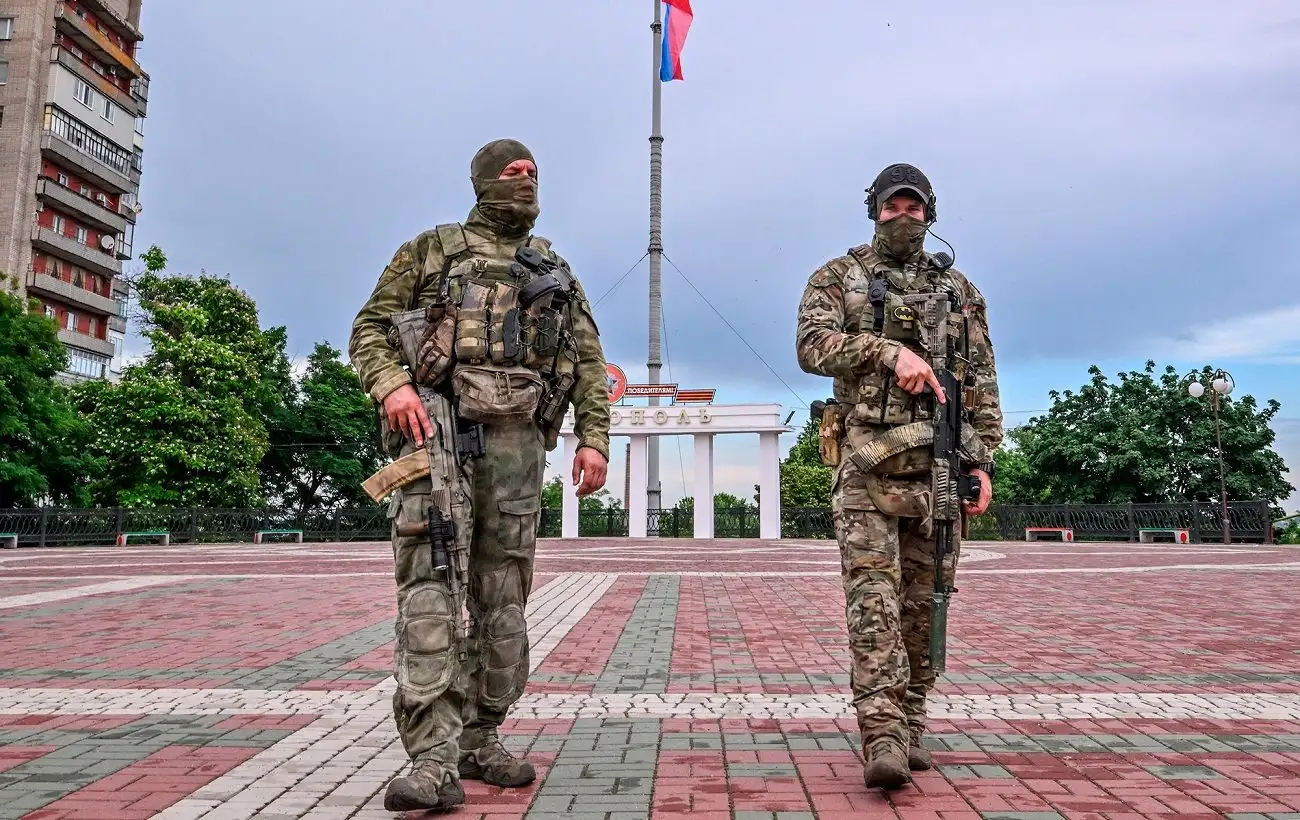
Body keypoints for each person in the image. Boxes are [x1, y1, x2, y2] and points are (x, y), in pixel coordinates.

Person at [349, 138, 611, 812]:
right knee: (432, 594)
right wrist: (392, 388)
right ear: (482, 183)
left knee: (504, 604)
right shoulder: (431, 250)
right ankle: (431, 760)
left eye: (533, 173)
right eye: (512, 173)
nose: (525, 182)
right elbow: (371, 328)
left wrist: (595, 440)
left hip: (518, 450)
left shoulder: (551, 266)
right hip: (437, 439)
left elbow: (586, 358)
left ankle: (480, 737)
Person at [794, 162, 1003, 790]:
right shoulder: (840, 278)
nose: (903, 216)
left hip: (939, 471)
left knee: (924, 607)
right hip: (868, 472)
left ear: (930, 212)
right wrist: (888, 352)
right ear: (873, 209)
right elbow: (811, 346)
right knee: (874, 607)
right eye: (893, 206)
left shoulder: (961, 291)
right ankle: (880, 733)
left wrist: (983, 459)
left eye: (914, 207)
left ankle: (912, 720)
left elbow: (983, 380)